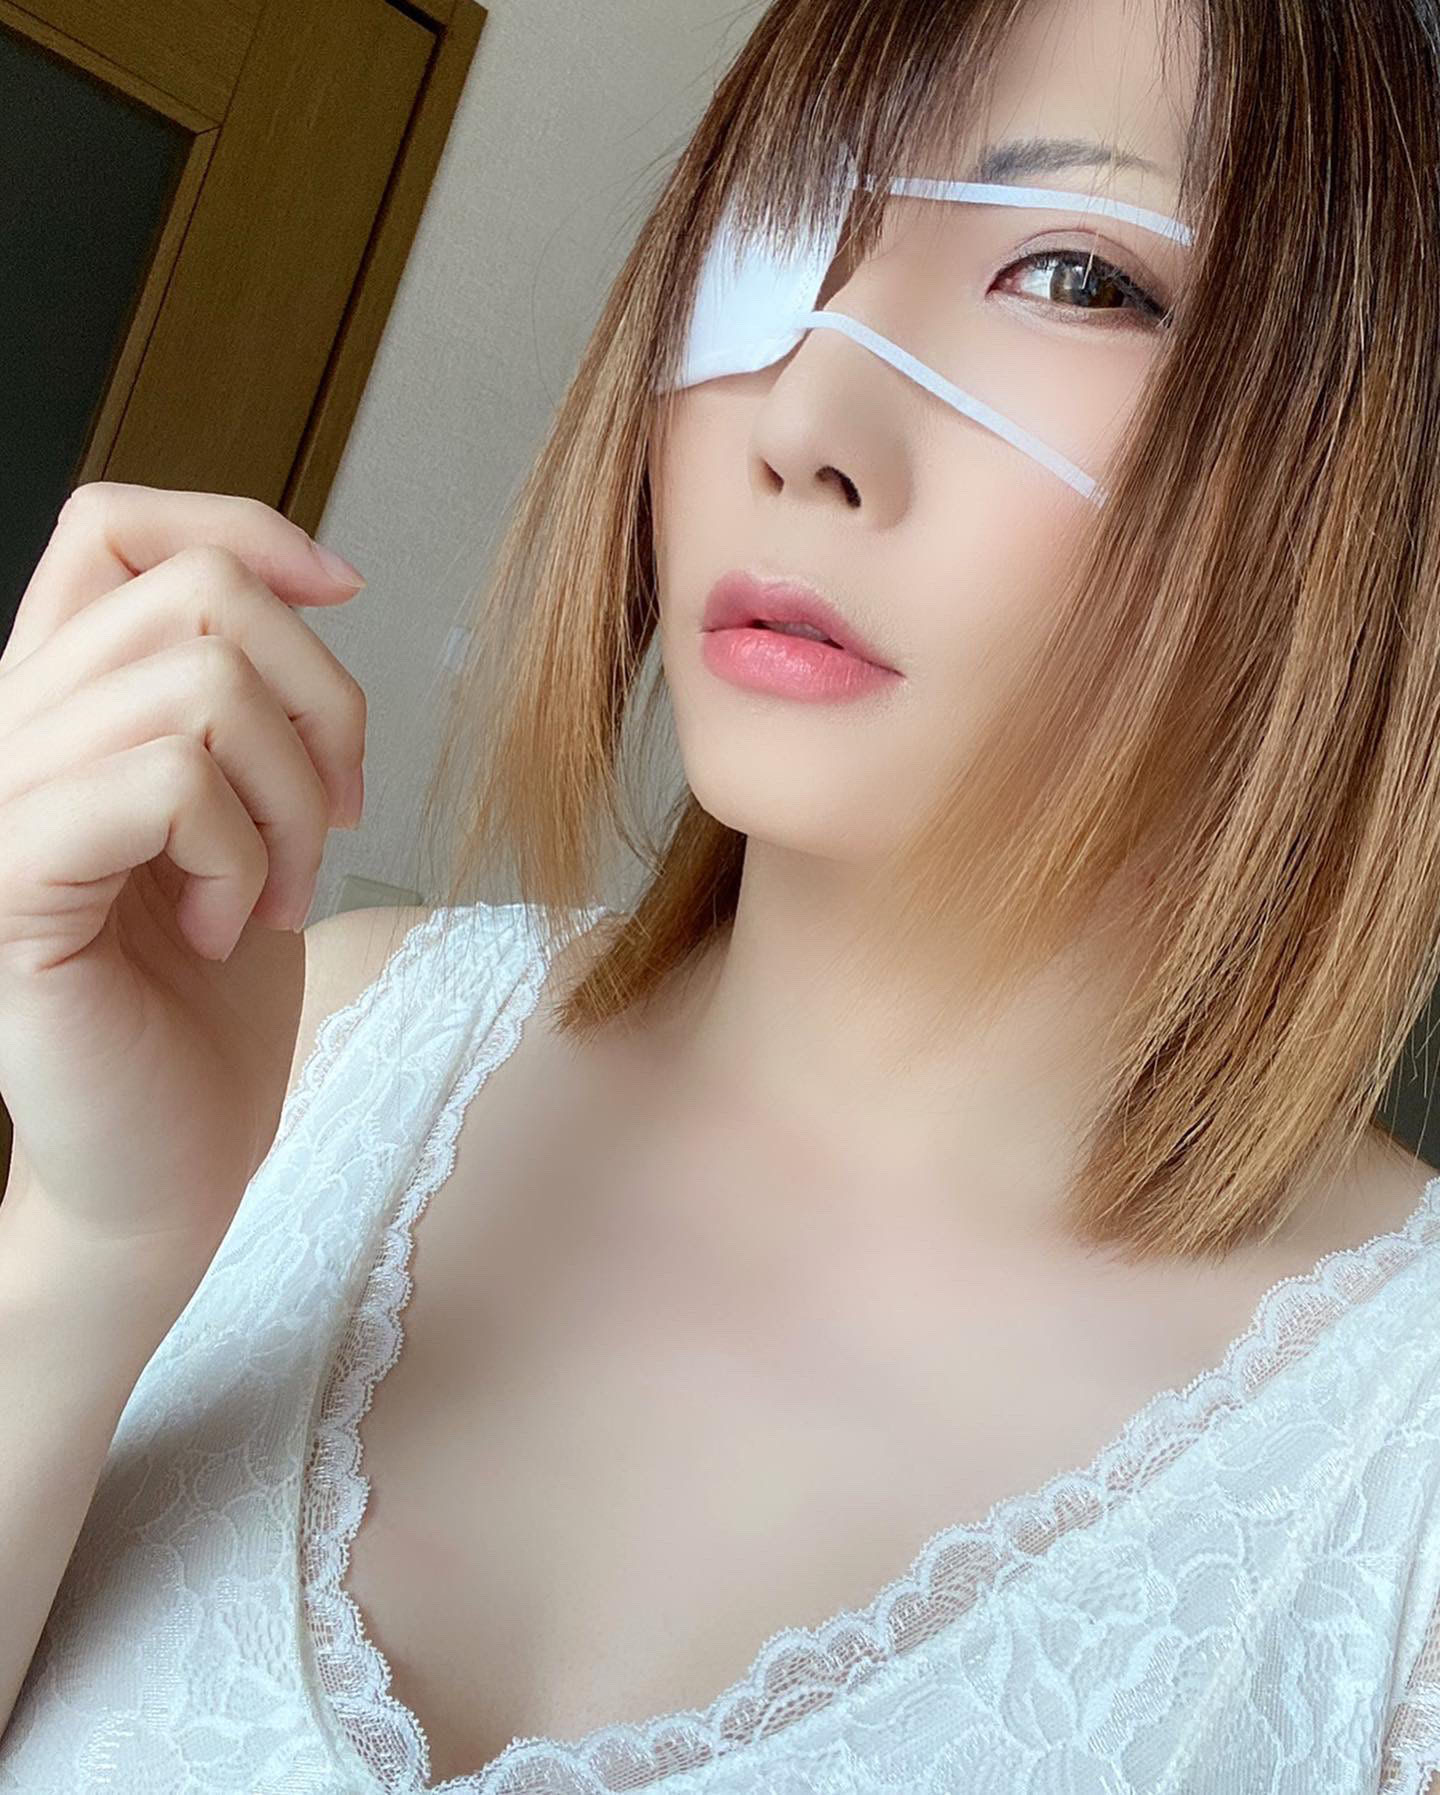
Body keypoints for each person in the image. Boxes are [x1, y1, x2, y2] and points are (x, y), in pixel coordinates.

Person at [2, 0, 1440, 1786]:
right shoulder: (299, 1049)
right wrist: (89, 1253)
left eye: (1074, 277)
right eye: (784, 229)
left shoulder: (1399, 1490)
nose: (807, 422)